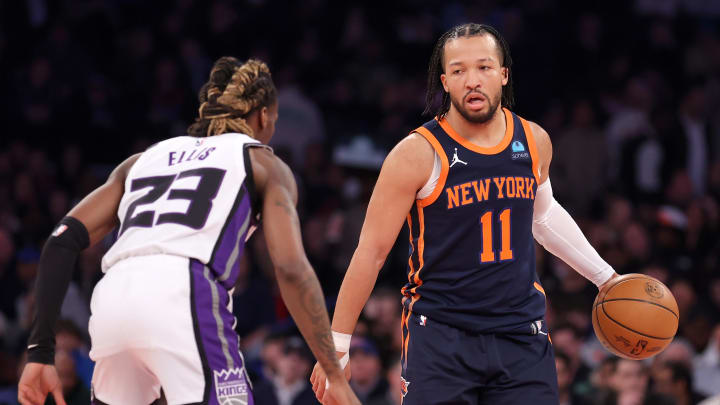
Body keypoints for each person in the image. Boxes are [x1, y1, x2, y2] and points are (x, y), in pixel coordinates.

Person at [17, 57, 360, 405]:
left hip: (113, 295)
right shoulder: (263, 162)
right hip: (183, 290)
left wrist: (39, 352)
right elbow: (289, 267)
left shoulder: (142, 160)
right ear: (263, 116)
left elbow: (60, 241)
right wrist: (333, 371)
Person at [311, 23, 620, 404]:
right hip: (441, 336)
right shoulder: (416, 154)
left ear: (503, 74)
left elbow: (543, 217)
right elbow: (370, 252)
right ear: (445, 82)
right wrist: (336, 347)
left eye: (484, 67)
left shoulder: (534, 140)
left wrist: (606, 277)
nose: (472, 80)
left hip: (521, 333)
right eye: (458, 71)